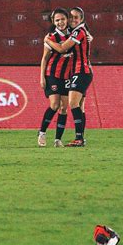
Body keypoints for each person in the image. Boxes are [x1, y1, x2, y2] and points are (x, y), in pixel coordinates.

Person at [44, 7, 93, 147]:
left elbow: (62, 49)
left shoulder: (78, 31)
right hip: (80, 71)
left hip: (81, 71)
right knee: (80, 106)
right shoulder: (78, 31)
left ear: (81, 19)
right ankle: (80, 138)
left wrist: (48, 40)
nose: (72, 20)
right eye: (70, 17)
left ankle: (79, 139)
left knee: (73, 103)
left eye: (76, 17)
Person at [38, 8, 71, 148]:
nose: (60, 22)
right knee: (54, 105)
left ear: (67, 19)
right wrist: (42, 77)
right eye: (57, 20)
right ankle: (42, 132)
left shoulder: (74, 35)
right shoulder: (51, 37)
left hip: (68, 76)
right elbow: (45, 59)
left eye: (62, 19)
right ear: (53, 21)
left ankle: (58, 139)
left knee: (64, 108)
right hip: (52, 74)